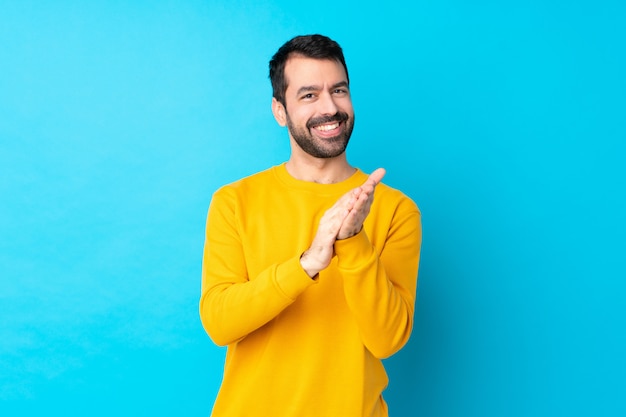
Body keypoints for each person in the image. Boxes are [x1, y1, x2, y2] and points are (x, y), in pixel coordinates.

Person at [199, 34, 422, 417]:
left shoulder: (396, 209)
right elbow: (220, 323)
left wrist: (353, 241)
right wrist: (306, 265)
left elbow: (388, 340)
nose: (330, 107)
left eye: (339, 90)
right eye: (308, 95)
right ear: (279, 111)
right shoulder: (234, 202)